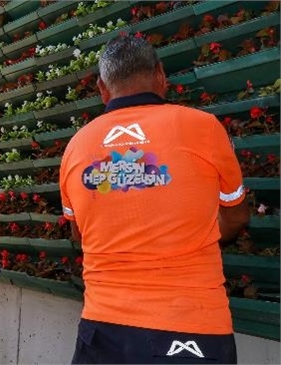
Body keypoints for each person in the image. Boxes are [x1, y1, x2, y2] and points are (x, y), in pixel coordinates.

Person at [59, 35, 250, 364]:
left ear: (102, 88)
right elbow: (235, 217)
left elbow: (80, 234)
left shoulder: (76, 147)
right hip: (192, 327)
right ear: (161, 76)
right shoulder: (203, 128)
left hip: (103, 328)